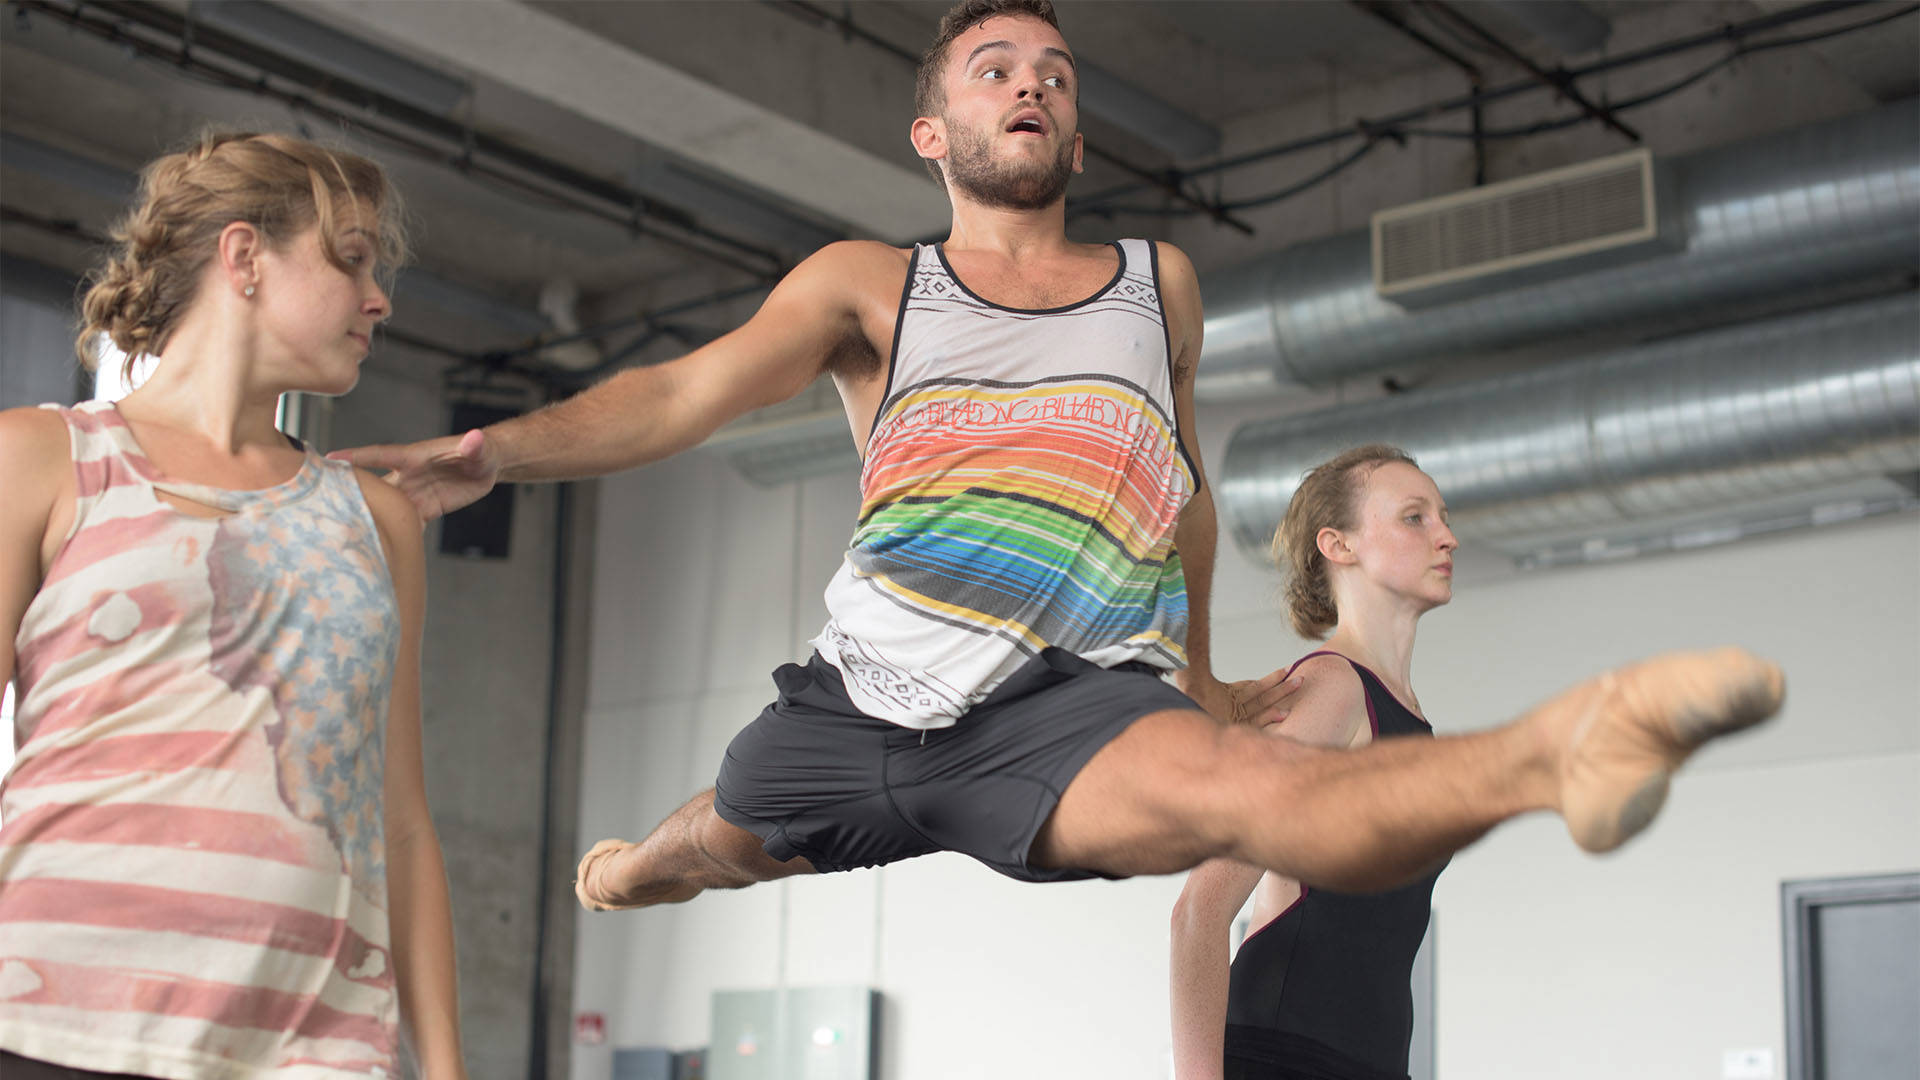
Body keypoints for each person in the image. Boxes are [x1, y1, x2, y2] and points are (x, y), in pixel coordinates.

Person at [337, 0, 1783, 927]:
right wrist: (495, 451)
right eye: (995, 69)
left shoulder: (1163, 286)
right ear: (936, 130)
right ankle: (623, 875)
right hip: (865, 692)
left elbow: (1185, 495)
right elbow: (682, 394)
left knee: (1248, 792)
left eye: (1055, 73)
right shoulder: (870, 283)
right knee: (717, 836)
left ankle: (1558, 749)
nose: (1030, 84)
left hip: (1071, 707)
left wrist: (1202, 673)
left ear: (1075, 127)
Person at [0, 132, 465, 1080]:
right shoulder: (42, 458)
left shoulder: (378, 521)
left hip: (310, 1047)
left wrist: (446, 1068)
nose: (378, 300)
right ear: (244, 257)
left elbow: (403, 821)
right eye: (352, 259)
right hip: (48, 1023)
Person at [1171, 446, 1458, 1080]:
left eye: (1442, 515)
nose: (1447, 536)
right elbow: (1200, 910)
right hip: (1286, 1059)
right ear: (1339, 544)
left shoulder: (1405, 715)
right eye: (1415, 517)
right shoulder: (1334, 690)